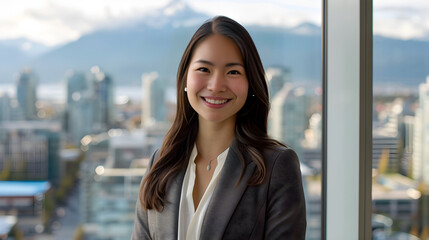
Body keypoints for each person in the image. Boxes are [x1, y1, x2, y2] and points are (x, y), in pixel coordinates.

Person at [132, 16, 306, 240]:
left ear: (250, 83)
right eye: (204, 69)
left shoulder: (276, 168)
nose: (216, 86)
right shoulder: (161, 163)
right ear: (185, 78)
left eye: (233, 72)